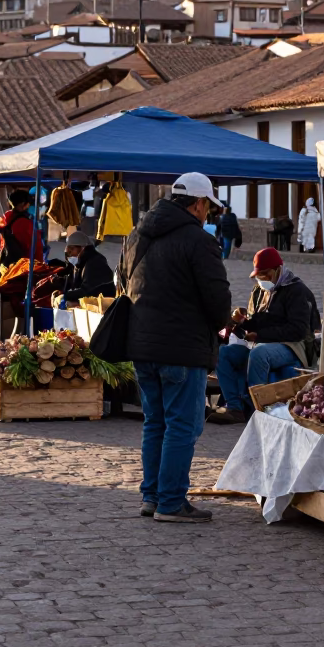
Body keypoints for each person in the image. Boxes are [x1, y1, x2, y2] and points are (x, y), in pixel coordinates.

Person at [119, 172, 231, 523]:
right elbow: (218, 300)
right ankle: (169, 501)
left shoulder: (137, 234)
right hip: (182, 346)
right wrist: (219, 324)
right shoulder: (199, 241)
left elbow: (122, 280)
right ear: (198, 204)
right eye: (207, 208)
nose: (208, 214)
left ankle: (152, 496)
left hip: (142, 344)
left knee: (156, 422)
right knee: (182, 425)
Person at [210, 247, 318, 425]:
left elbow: (298, 330)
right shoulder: (259, 291)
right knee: (224, 353)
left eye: (265, 274)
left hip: (292, 345)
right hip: (260, 342)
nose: (262, 279)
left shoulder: (296, 290)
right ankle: (235, 407)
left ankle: (257, 409)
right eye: (259, 276)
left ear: (277, 270)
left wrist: (260, 335)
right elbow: (258, 319)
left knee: (259, 354)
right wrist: (242, 321)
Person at [59, 230, 115, 306]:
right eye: (68, 251)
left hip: (103, 305)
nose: (70, 254)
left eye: (72, 249)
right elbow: (72, 284)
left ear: (82, 248)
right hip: (90, 301)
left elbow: (87, 291)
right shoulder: (80, 263)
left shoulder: (95, 262)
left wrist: (66, 296)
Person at [0, 189, 39, 274]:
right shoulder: (24, 222)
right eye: (28, 203)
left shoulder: (4, 217)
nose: (28, 206)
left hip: (4, 263)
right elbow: (30, 247)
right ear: (22, 204)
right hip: (20, 267)